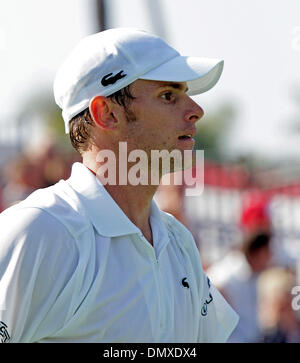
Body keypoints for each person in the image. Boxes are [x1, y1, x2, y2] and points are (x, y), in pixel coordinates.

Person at [0, 28, 238, 343]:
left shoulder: (179, 243)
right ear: (107, 113)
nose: (196, 110)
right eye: (168, 95)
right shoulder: (41, 231)